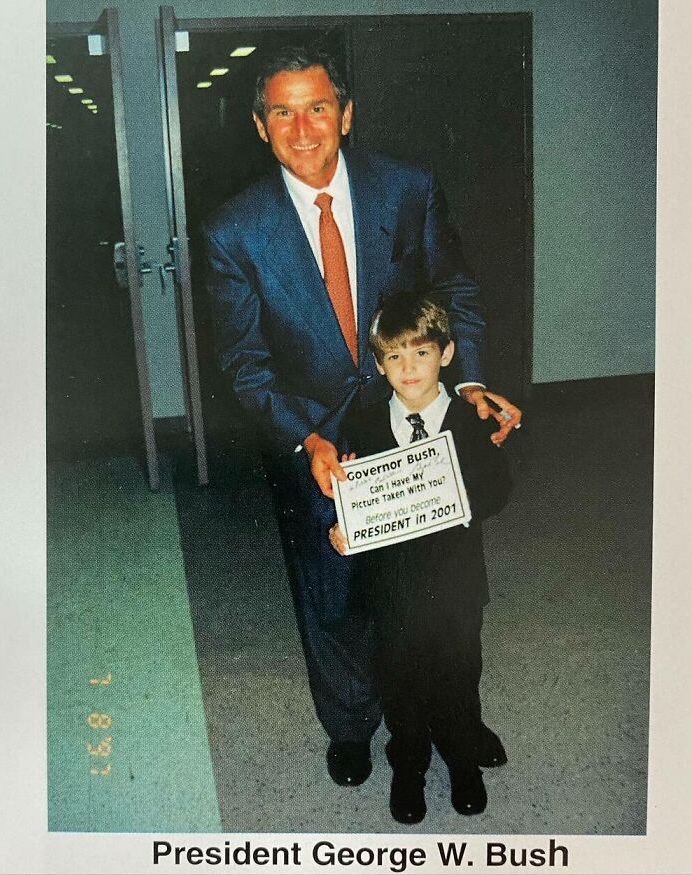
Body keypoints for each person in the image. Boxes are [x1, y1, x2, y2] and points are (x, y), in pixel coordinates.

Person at [202, 45, 522, 788]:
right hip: (314, 433)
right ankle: (350, 723)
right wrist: (303, 433)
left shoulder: (407, 189)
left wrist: (467, 383)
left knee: (439, 589)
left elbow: (456, 291)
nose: (303, 128)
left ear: (346, 114)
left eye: (318, 107)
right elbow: (245, 362)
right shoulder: (233, 231)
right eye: (282, 111)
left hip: (415, 419)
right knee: (333, 589)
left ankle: (456, 716)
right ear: (260, 126)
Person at [329, 294, 511, 824]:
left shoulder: (470, 419)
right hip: (391, 588)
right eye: (394, 358)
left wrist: (458, 496)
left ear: (447, 354)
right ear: (379, 363)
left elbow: (499, 491)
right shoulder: (362, 426)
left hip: (455, 585)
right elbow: (356, 499)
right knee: (400, 679)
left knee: (458, 673)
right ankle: (408, 762)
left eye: (422, 354)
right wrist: (348, 529)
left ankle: (461, 760)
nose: (408, 369)